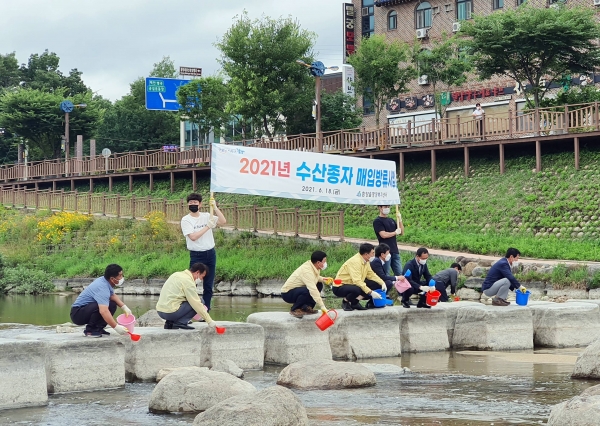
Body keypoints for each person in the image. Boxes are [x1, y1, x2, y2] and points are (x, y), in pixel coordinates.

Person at [181, 193, 226, 312]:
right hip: (196, 255)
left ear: (200, 204)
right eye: (190, 203)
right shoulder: (186, 220)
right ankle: (188, 311)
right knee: (191, 285)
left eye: (195, 203)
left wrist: (215, 208)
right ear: (188, 204)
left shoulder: (207, 216)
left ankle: (205, 311)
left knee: (208, 285)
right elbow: (193, 237)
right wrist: (207, 227)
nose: (193, 205)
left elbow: (223, 221)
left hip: (210, 254)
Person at [70, 264, 132, 338]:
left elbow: (112, 296)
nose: (122, 278)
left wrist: (124, 307)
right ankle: (90, 330)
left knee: (112, 305)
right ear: (112, 278)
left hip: (86, 309)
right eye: (120, 276)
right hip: (77, 313)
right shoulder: (102, 287)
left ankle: (98, 328)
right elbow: (104, 311)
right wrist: (116, 327)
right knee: (100, 307)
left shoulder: (105, 281)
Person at [155, 263, 217, 329]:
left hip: (160, 311)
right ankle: (180, 323)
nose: (201, 280)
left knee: (179, 301)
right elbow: (196, 304)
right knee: (200, 301)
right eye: (202, 277)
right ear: (197, 272)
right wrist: (209, 321)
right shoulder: (188, 282)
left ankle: (169, 323)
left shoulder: (176, 274)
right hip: (170, 313)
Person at [333, 243, 386, 311]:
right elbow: (357, 281)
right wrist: (371, 292)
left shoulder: (366, 261)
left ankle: (355, 302)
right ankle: (345, 301)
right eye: (372, 253)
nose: (374, 255)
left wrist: (382, 283)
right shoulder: (355, 262)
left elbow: (371, 274)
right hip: (340, 286)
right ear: (366, 254)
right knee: (358, 289)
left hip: (353, 284)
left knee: (375, 284)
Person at [281, 250, 333, 318]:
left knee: (319, 284)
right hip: (287, 293)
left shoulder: (313, 267)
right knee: (308, 290)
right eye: (324, 261)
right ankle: (294, 309)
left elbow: (315, 277)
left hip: (298, 290)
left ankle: (307, 308)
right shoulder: (307, 271)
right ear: (318, 262)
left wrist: (324, 279)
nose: (325, 263)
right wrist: (322, 306)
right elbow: (313, 289)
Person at [373, 205, 404, 276]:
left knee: (400, 273)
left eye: (388, 207)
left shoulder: (391, 220)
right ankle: (386, 286)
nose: (387, 208)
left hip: (395, 250)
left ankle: (399, 286)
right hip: (384, 252)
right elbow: (383, 235)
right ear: (379, 208)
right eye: (385, 207)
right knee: (386, 273)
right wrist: (395, 232)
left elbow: (402, 232)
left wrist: (400, 220)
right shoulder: (377, 221)